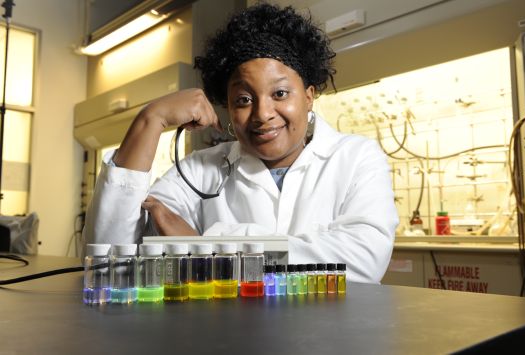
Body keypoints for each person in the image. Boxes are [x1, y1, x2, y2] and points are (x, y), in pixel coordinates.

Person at [83, 3, 398, 284]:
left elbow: (362, 264)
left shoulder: (356, 157)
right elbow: (109, 264)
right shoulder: (200, 170)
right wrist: (149, 120)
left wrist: (206, 247)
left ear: (308, 96)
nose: (262, 114)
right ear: (229, 107)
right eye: (244, 99)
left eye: (280, 93)